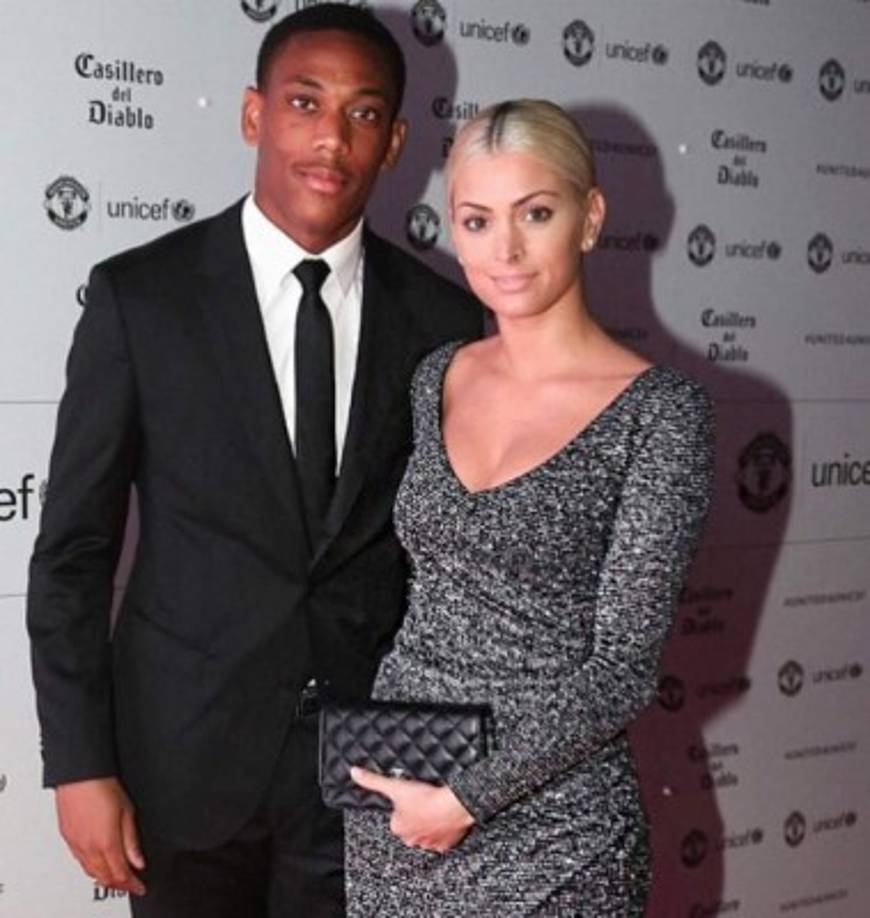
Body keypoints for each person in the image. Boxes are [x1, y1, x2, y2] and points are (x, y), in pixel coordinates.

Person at [26, 6, 481, 917]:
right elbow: (73, 554)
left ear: (394, 142)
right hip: (183, 766)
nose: (330, 137)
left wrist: (459, 766)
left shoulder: (446, 326)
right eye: (304, 102)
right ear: (252, 115)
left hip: (374, 772)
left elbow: (457, 571)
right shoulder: (143, 300)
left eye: (361, 114)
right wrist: (79, 764)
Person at [344, 99, 714, 916]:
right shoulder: (436, 376)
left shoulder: (661, 413)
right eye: (476, 221)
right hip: (401, 800)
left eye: (535, 214)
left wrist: (468, 799)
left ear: (590, 218)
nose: (504, 250)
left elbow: (622, 668)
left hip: (556, 830)